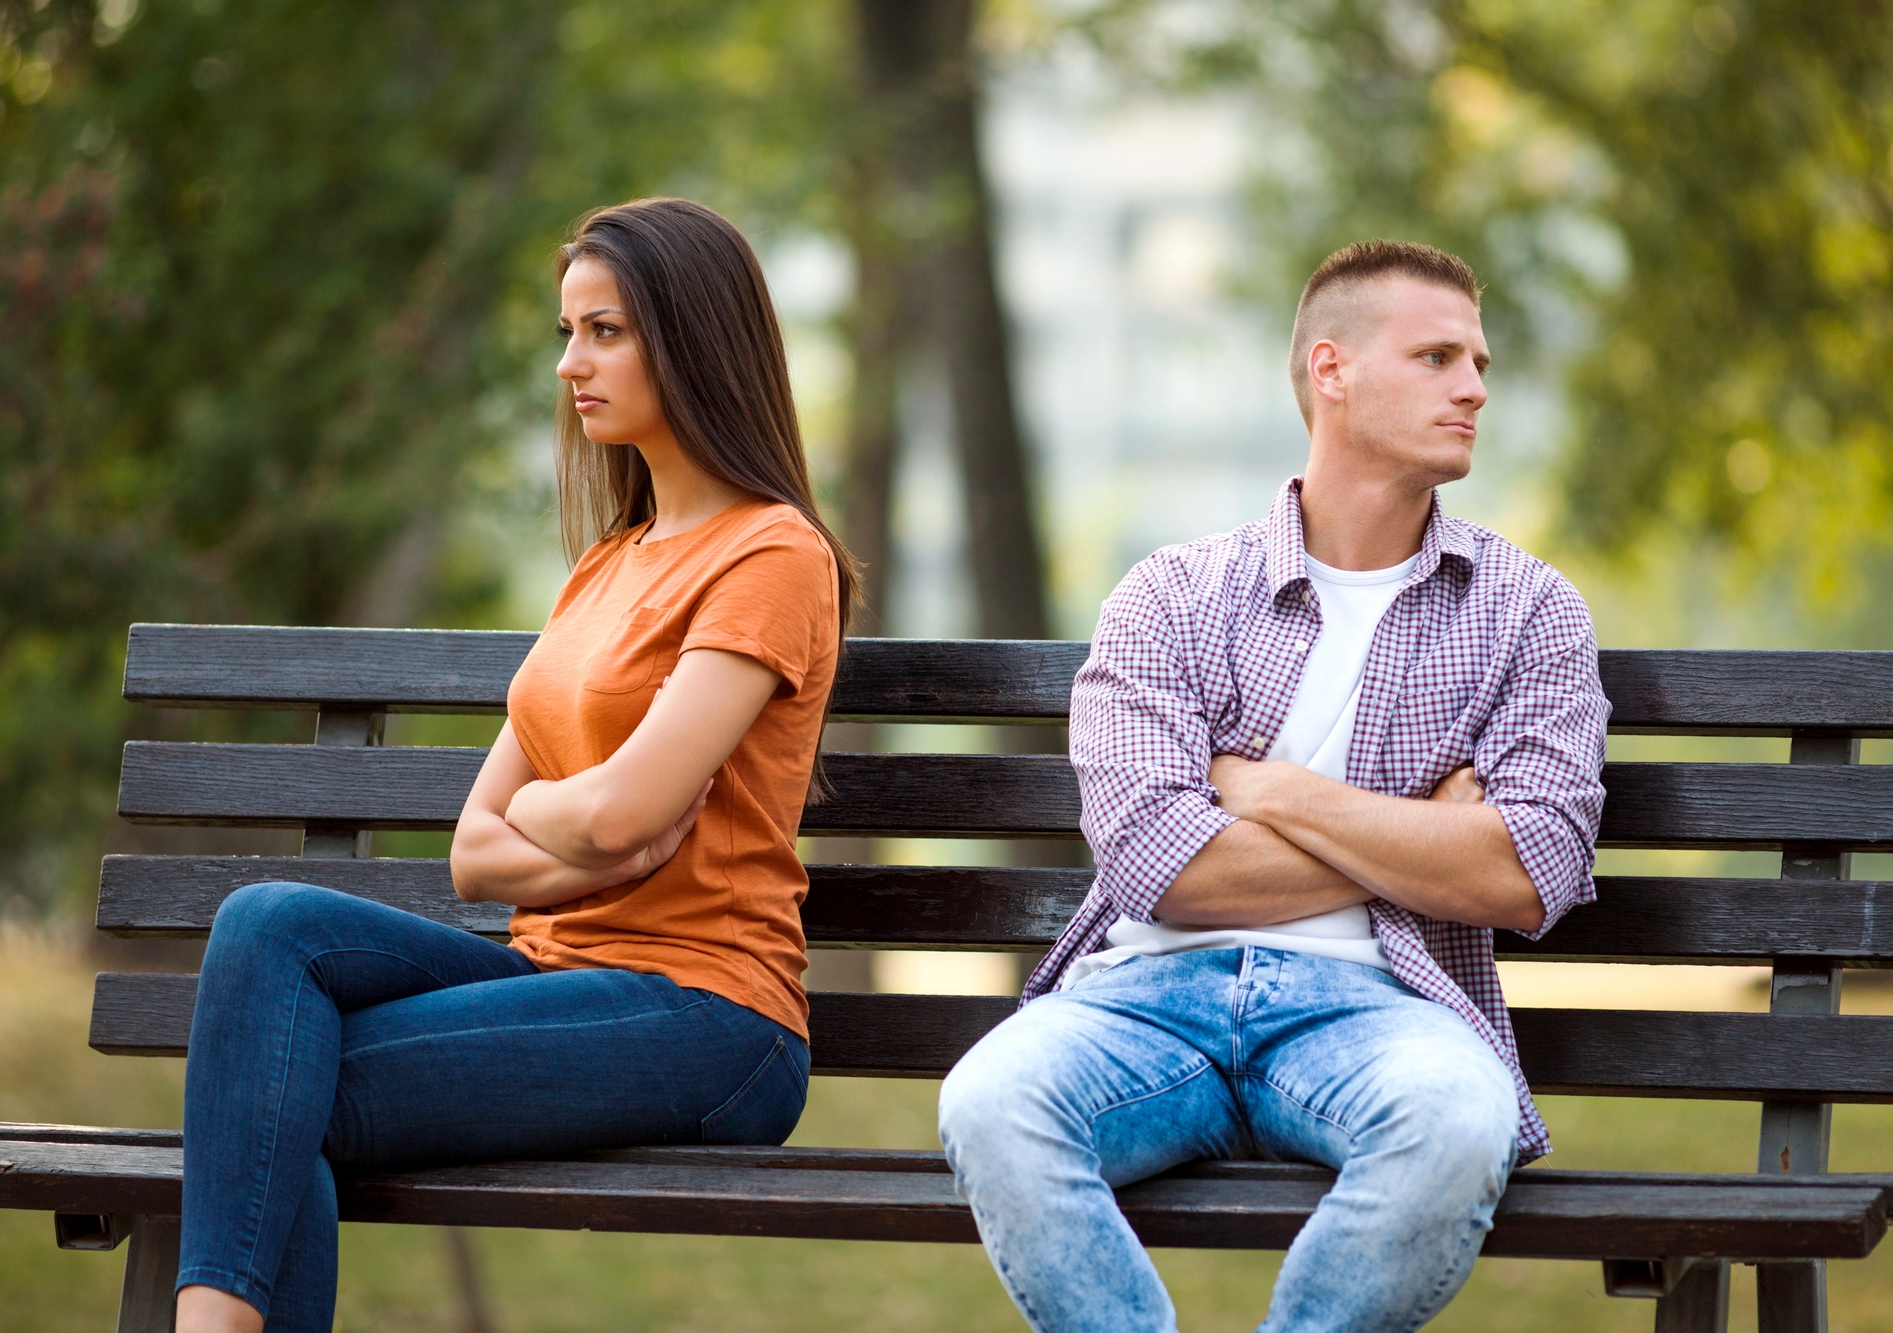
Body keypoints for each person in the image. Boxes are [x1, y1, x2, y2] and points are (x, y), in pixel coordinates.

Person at [174, 198, 856, 1333]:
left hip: (711, 1016)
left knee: (273, 1099)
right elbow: (474, 855)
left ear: (690, 339)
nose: (569, 366)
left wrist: (587, 820)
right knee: (266, 924)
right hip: (556, 980)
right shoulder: (602, 569)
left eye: (604, 332)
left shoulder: (772, 554)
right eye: (565, 333)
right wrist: (590, 824)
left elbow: (625, 812)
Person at [938, 240, 1611, 1333]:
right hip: (1142, 1002)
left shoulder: (1526, 612)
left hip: (1379, 1012)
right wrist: (1421, 840)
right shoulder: (1169, 597)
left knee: (1453, 1124)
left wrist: (1267, 791)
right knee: (992, 1102)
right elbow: (1157, 865)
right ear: (1331, 371)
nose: (1475, 386)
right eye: (1437, 355)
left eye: (1477, 360)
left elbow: (1527, 869)